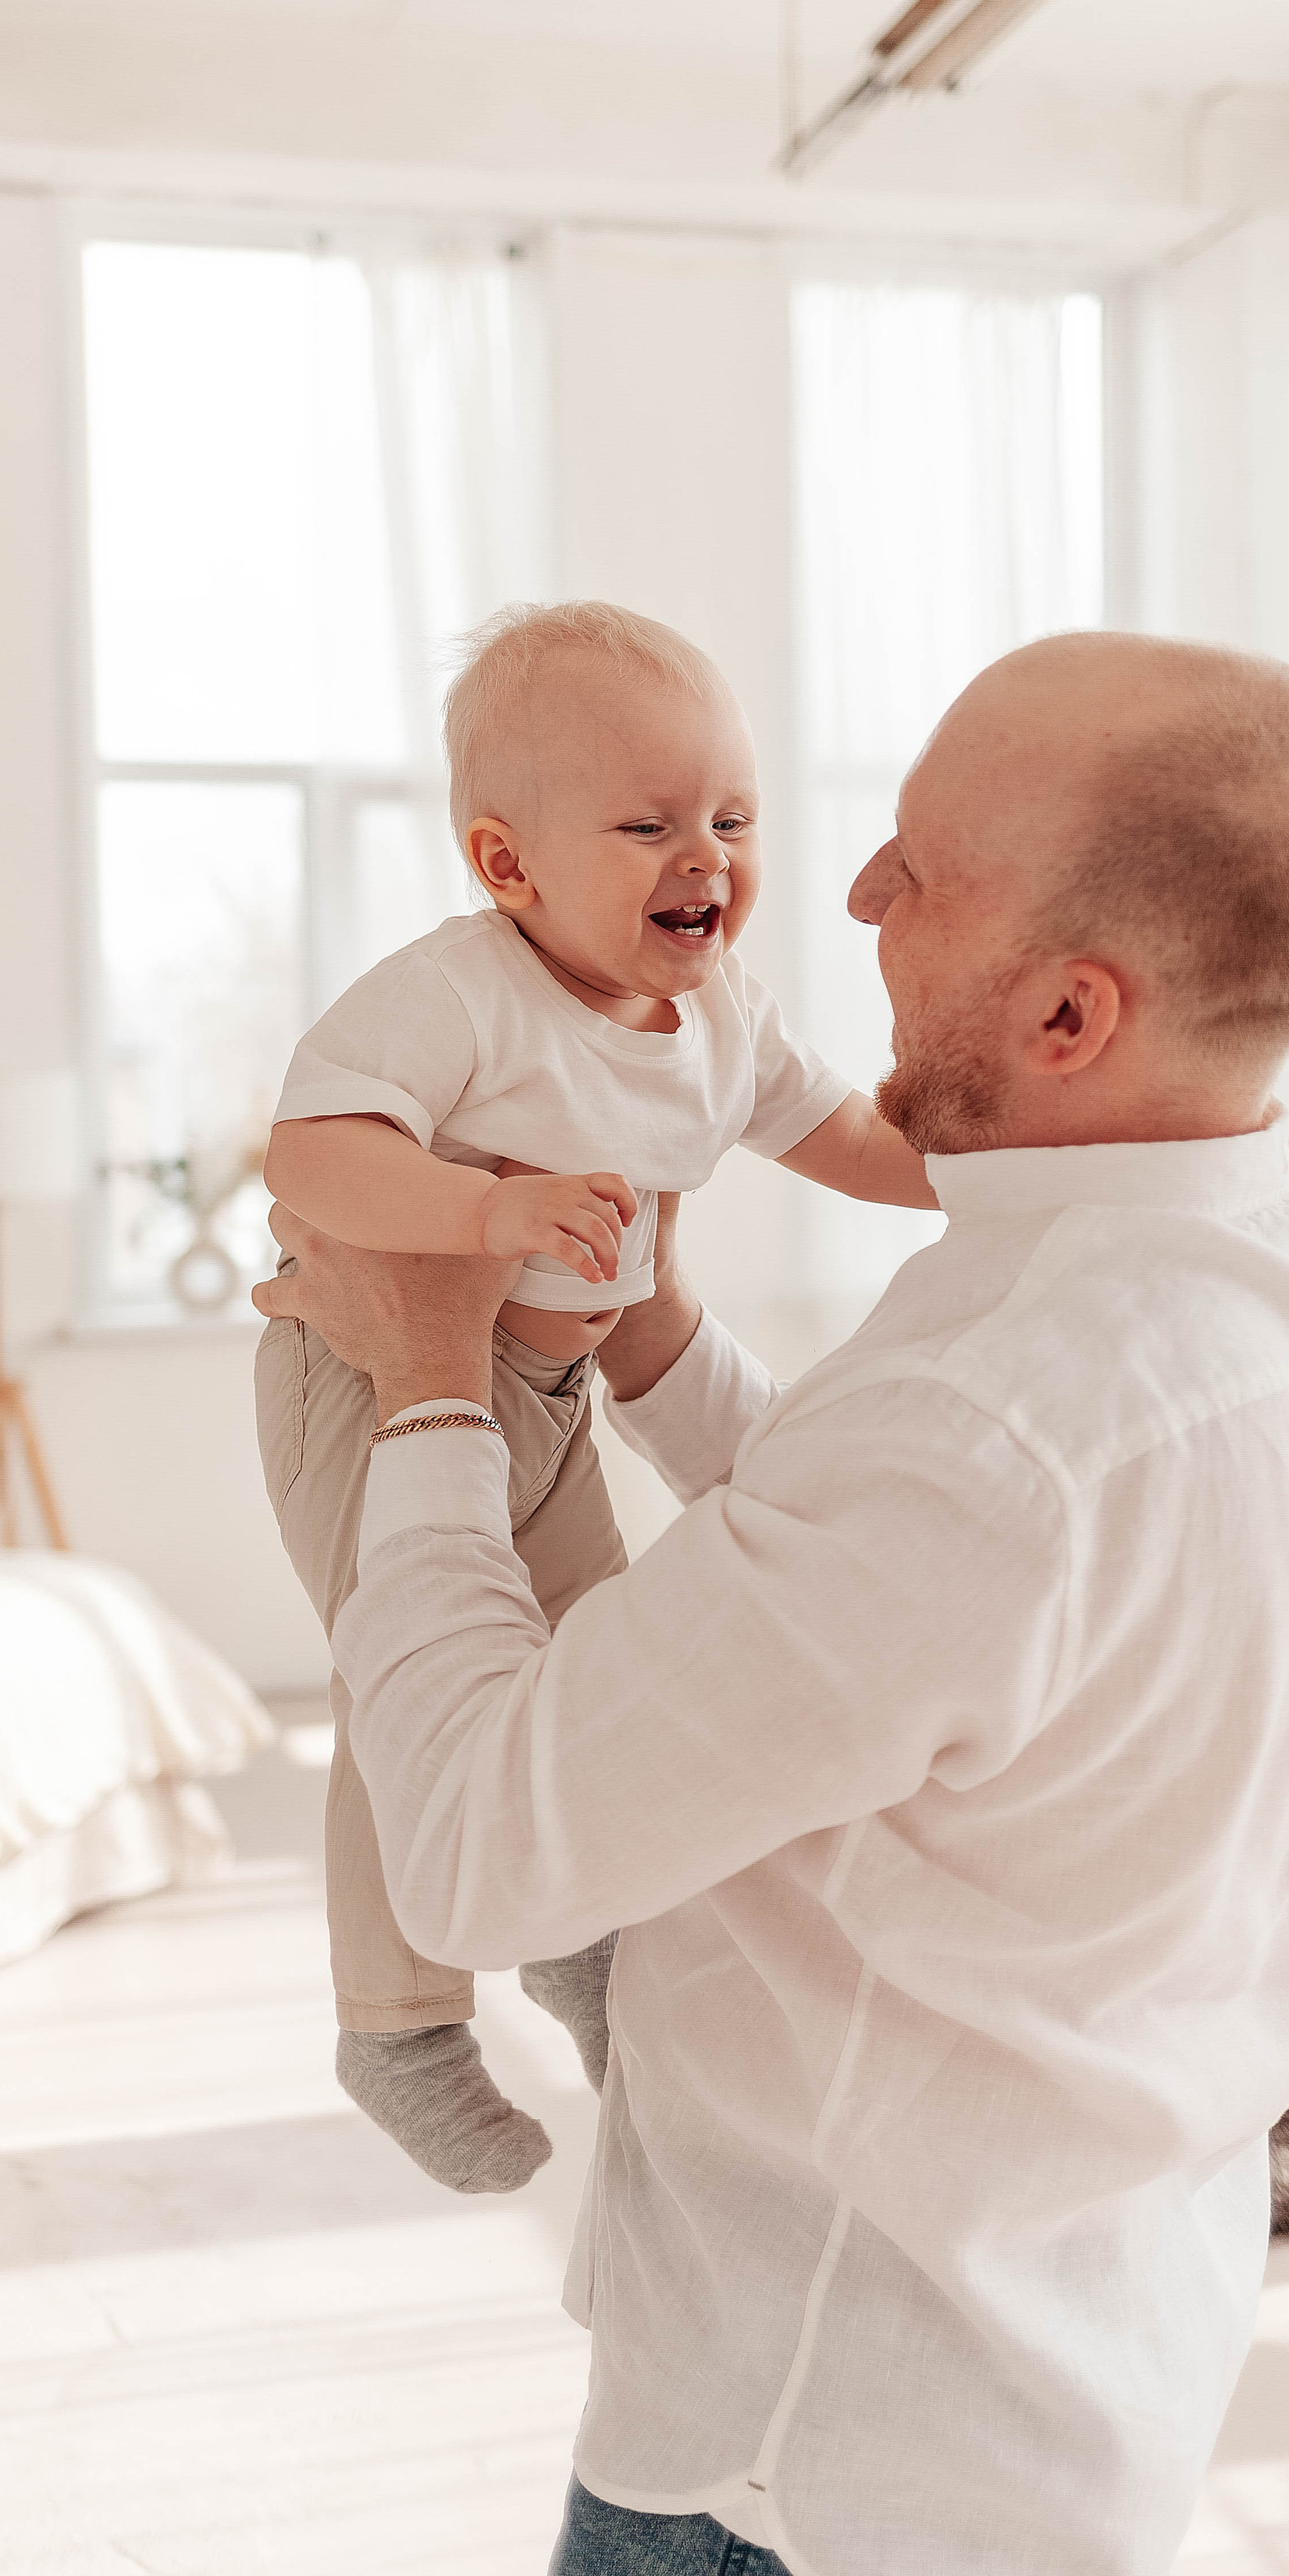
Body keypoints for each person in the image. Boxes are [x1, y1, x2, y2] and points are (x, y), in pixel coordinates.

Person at [252, 630, 1289, 2576]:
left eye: (921, 868)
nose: (853, 899)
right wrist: (645, 1338)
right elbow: (891, 1589)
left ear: (1073, 1013)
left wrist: (430, 1373)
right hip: (1061, 2372)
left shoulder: (995, 1427)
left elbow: (478, 1843)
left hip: (801, 2510)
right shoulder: (1288, 1252)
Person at [254, 600, 936, 2195]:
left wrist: (1001, 1173)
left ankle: (574, 1947)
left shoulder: (721, 1021)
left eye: (729, 816)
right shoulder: (463, 993)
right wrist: (483, 1214)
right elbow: (310, 1148)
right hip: (364, 1375)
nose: (701, 855)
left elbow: (848, 1139)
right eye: (643, 825)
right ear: (507, 867)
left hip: (550, 1396)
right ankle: (399, 2026)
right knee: (405, 1686)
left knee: (578, 1672)